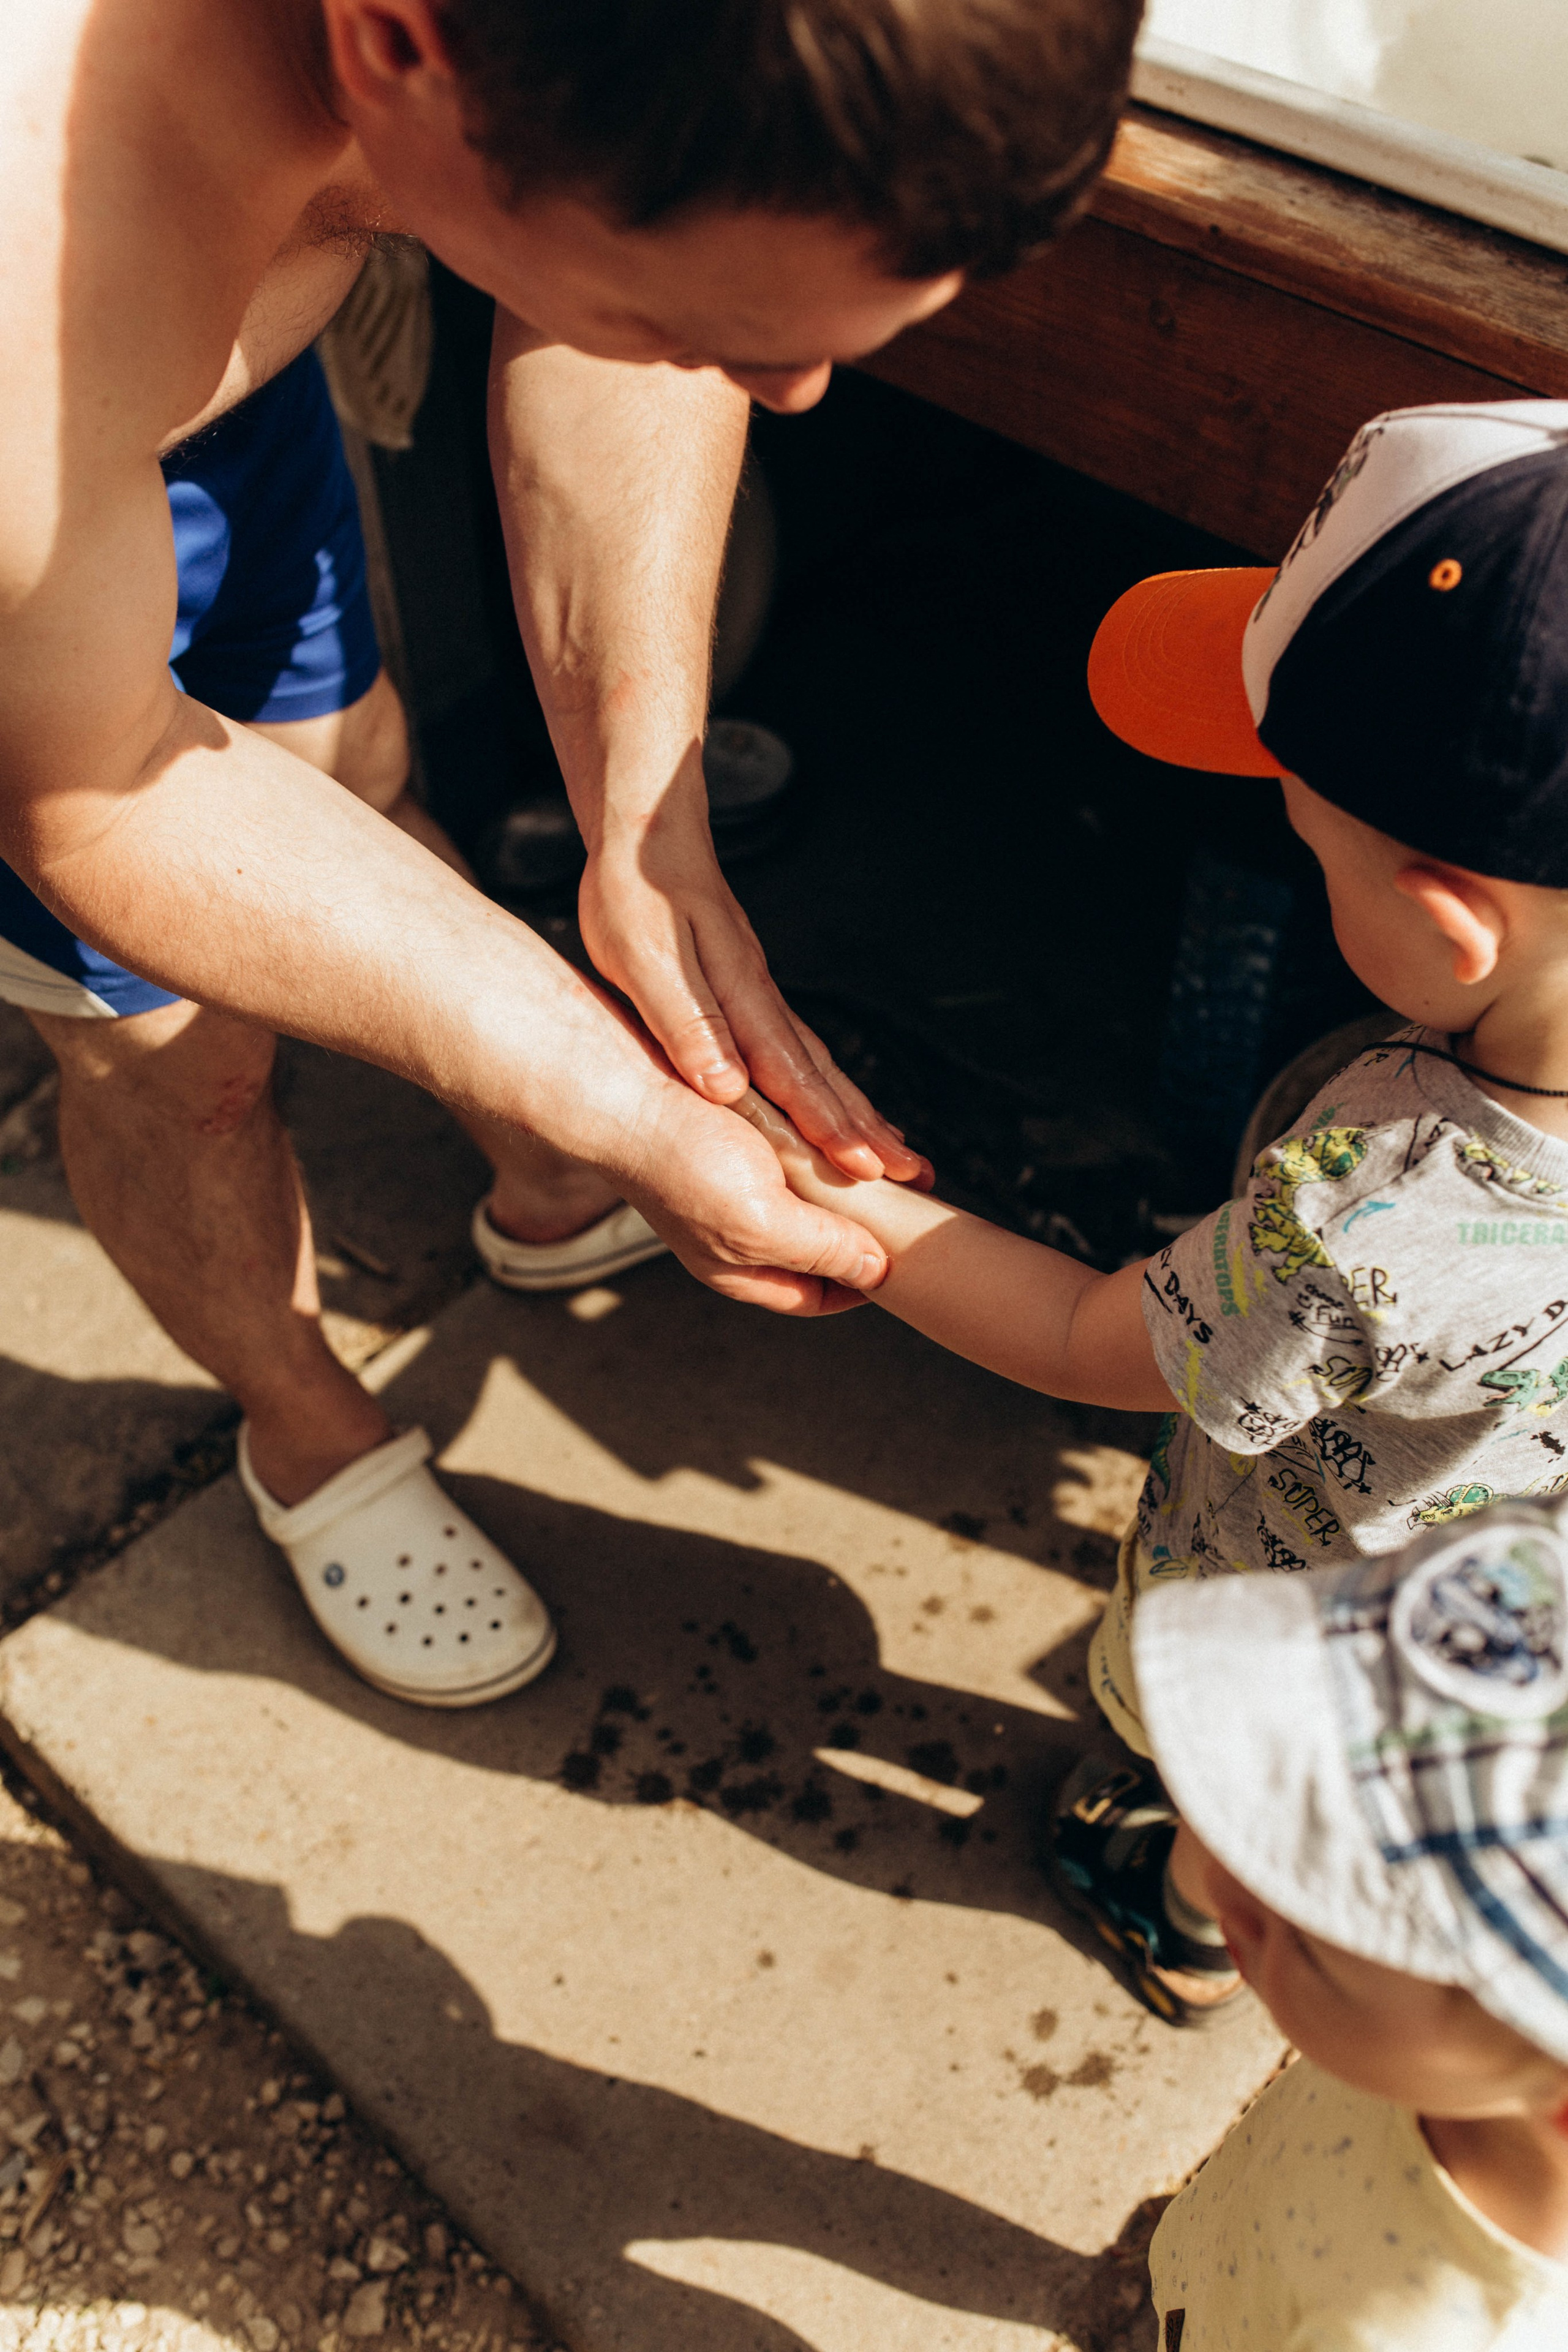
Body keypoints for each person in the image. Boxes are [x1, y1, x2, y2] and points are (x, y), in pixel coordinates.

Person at [0, 0, 1141, 1705]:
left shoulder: (523, 76)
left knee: (354, 767)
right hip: (64, 457)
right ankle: (306, 1421)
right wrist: (611, 1098)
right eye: (714, 322)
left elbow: (622, 312)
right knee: (167, 1049)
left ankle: (532, 1186)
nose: (795, 393)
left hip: (217, 379)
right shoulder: (28, 277)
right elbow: (98, 793)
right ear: (397, 50)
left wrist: (644, 811)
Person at [740, 396, 1568, 2018]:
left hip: (1313, 1603)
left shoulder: (1375, 1200)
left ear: (1452, 927)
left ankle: (1185, 1907)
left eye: (1312, 848)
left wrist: (826, 1195)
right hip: (1513, 1619)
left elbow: (1082, 1338)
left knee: (1253, 1776)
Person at [1133, 1498, 1568, 2345]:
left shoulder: (1418, 2331)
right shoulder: (1443, 2064)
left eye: (1310, 1936)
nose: (1229, 1892)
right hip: (1263, 2232)